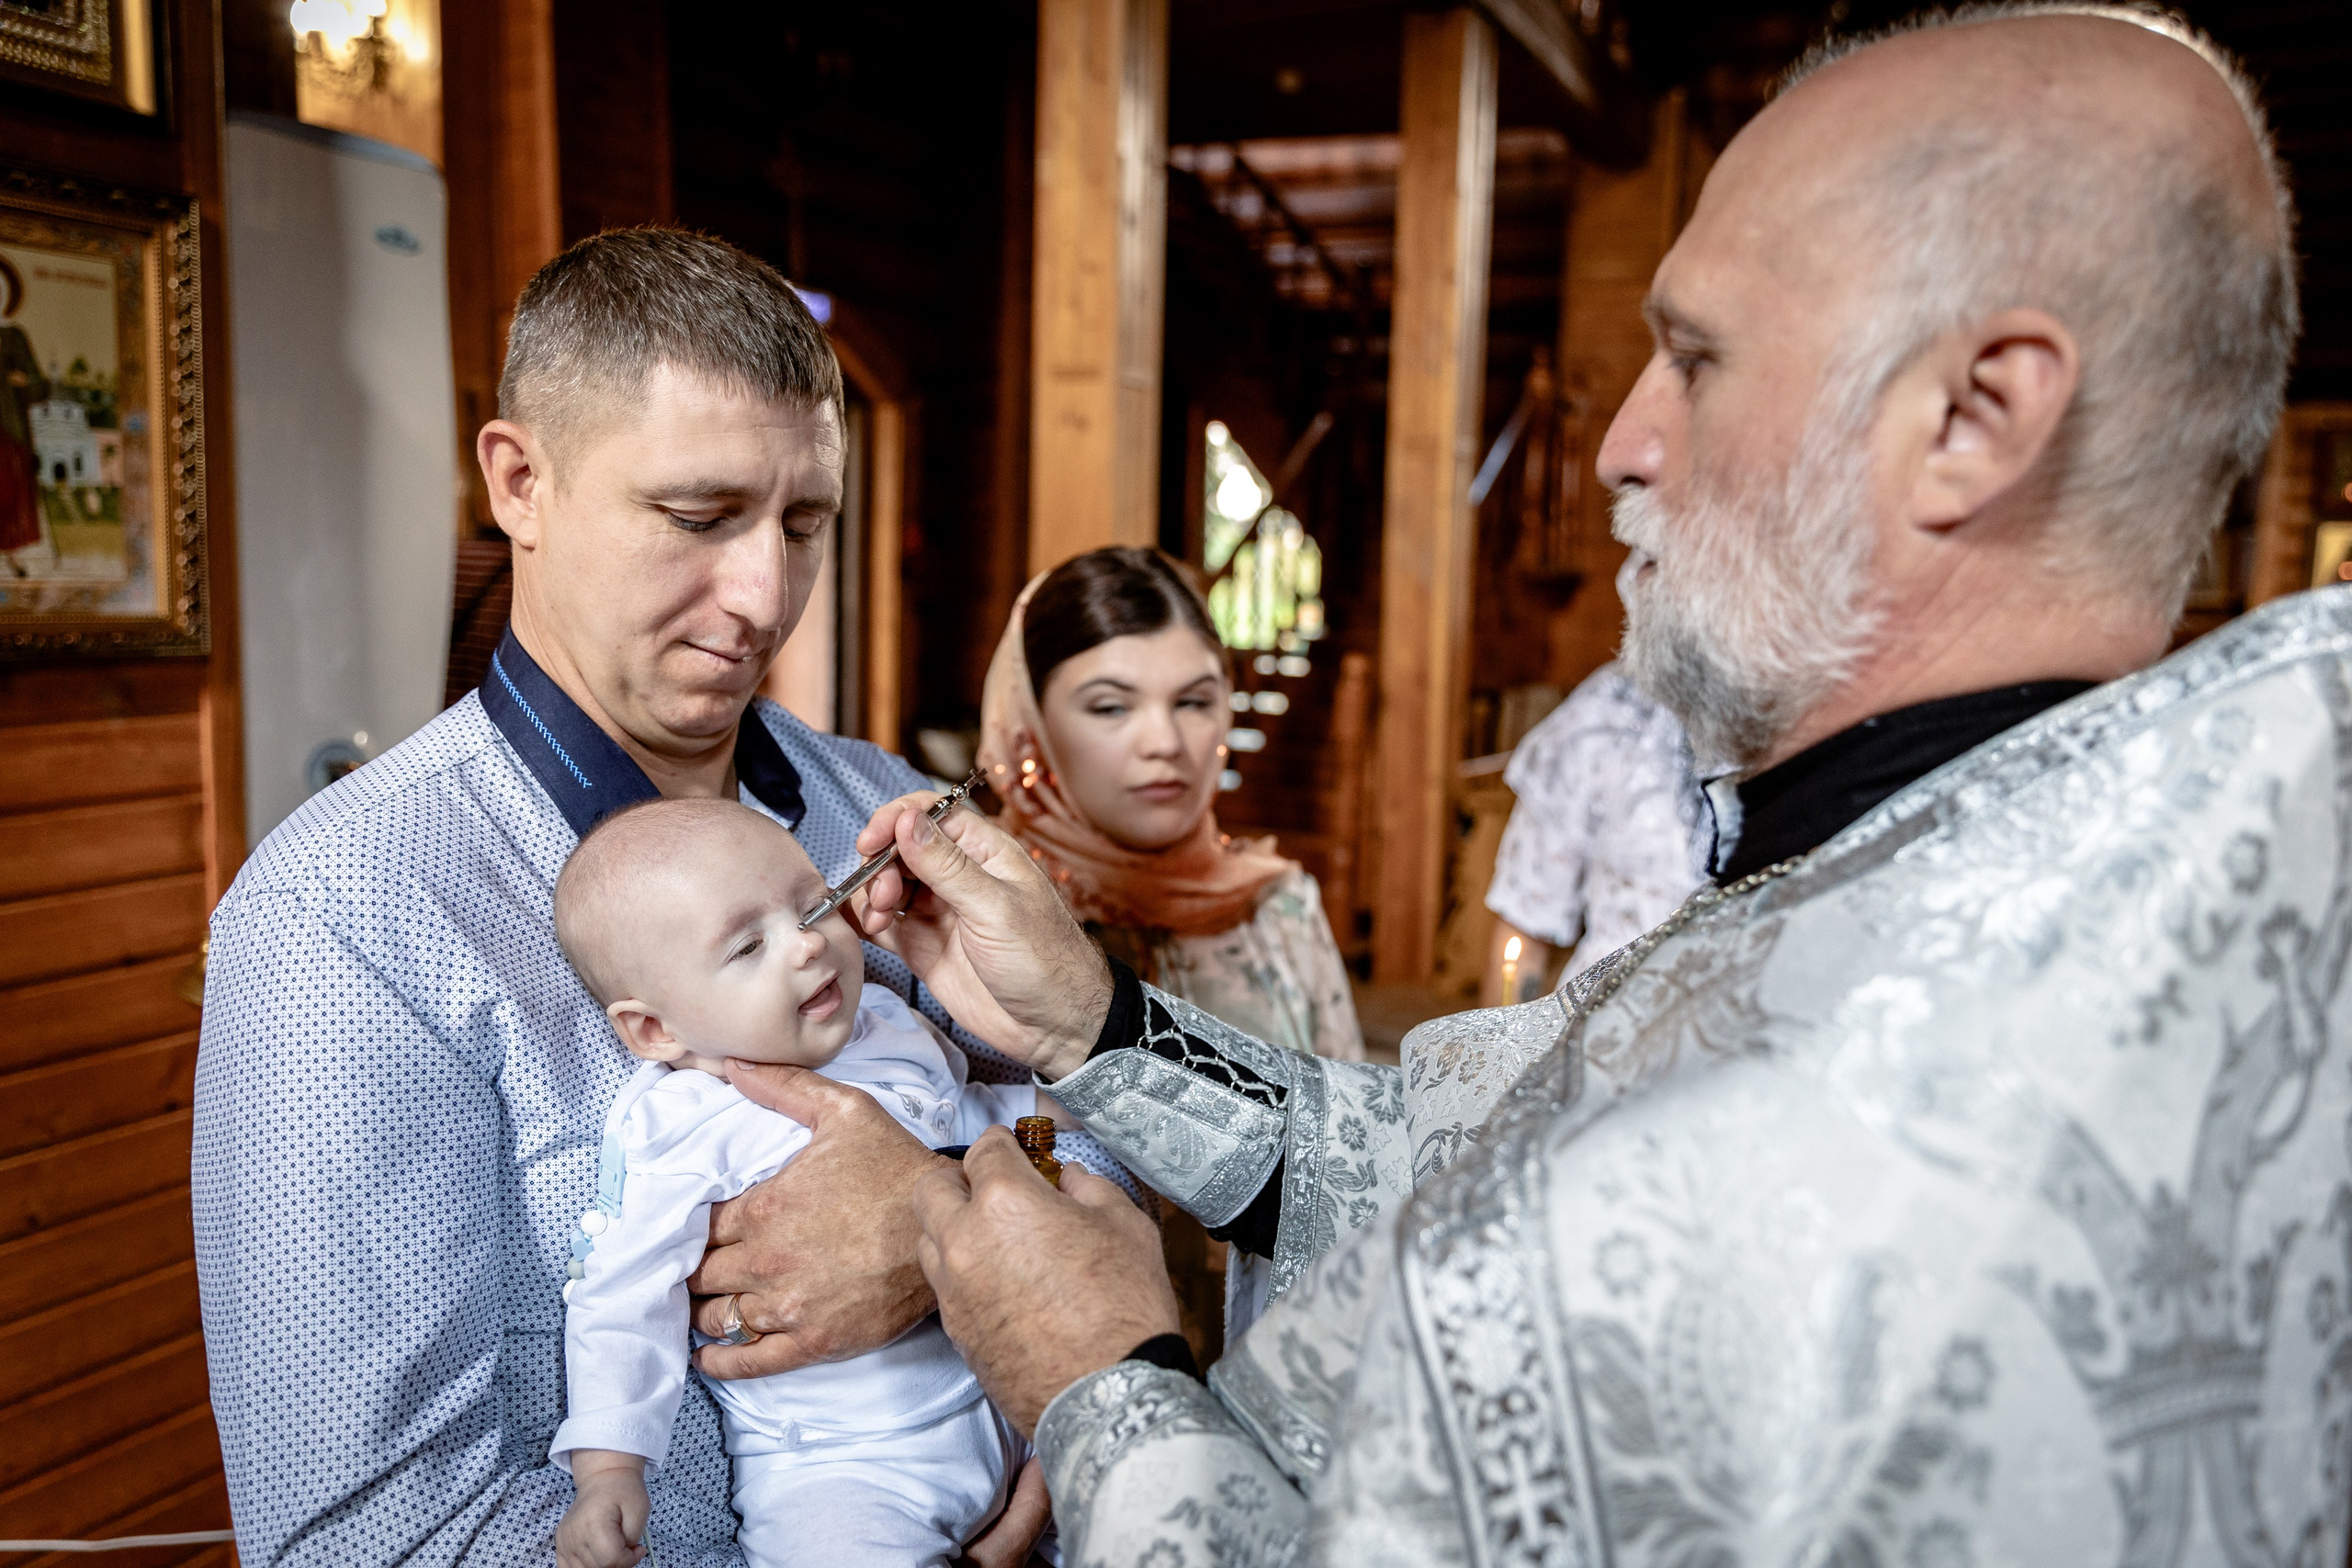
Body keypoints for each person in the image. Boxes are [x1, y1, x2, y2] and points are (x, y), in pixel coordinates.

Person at [716, 9, 2337, 1563]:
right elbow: (1460, 1156)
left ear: (1976, 416)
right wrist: (1094, 1025)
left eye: (1696, 358)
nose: (1621, 445)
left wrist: (1103, 1380)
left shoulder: (1911, 1123)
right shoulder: (1954, 854)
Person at [191, 229, 1070, 1566]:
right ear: (520, 481)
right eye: (699, 516)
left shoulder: (883, 805)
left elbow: (1100, 1137)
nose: (766, 595)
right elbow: (360, 1530)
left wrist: (963, 1238)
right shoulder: (343, 918)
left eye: (806, 520)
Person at [547, 799, 1052, 1568]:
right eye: (750, 944)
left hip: (1012, 1406)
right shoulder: (677, 1124)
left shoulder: (882, 1024)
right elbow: (623, 1294)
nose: (809, 941)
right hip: (843, 1467)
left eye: (814, 903)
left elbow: (973, 1117)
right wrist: (610, 1469)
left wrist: (1081, 1107)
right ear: (657, 1030)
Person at [980, 547, 1363, 1064]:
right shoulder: (987, 911)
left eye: (1193, 702)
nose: (1164, 742)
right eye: (1111, 707)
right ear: (1031, 726)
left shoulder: (1277, 906)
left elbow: (1348, 1130)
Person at [1479, 660, 1711, 1002]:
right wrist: (1503, 1049)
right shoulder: (1607, 710)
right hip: (1606, 1018)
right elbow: (1524, 931)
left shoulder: (1804, 706)